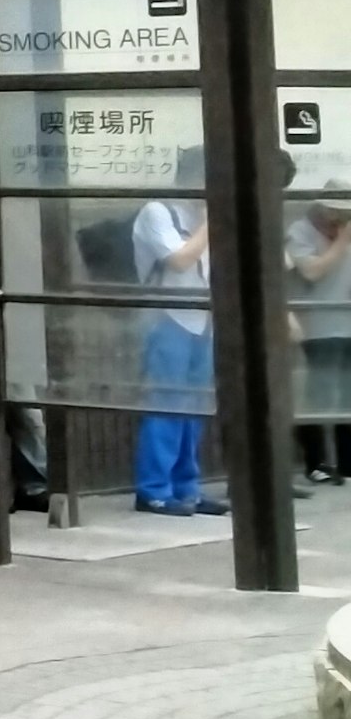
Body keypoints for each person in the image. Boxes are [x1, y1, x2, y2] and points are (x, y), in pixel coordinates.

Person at [129, 151, 221, 517]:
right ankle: (153, 490)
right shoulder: (158, 212)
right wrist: (213, 218)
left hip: (204, 319)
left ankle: (187, 489)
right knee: (165, 404)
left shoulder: (200, 217)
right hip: (166, 319)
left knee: (195, 407)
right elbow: (180, 260)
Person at [287, 198, 351, 487]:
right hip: (319, 327)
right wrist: (341, 242)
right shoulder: (298, 232)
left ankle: (347, 461)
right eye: (336, 212)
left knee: (347, 395)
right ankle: (316, 462)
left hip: (346, 322)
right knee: (320, 396)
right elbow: (311, 270)